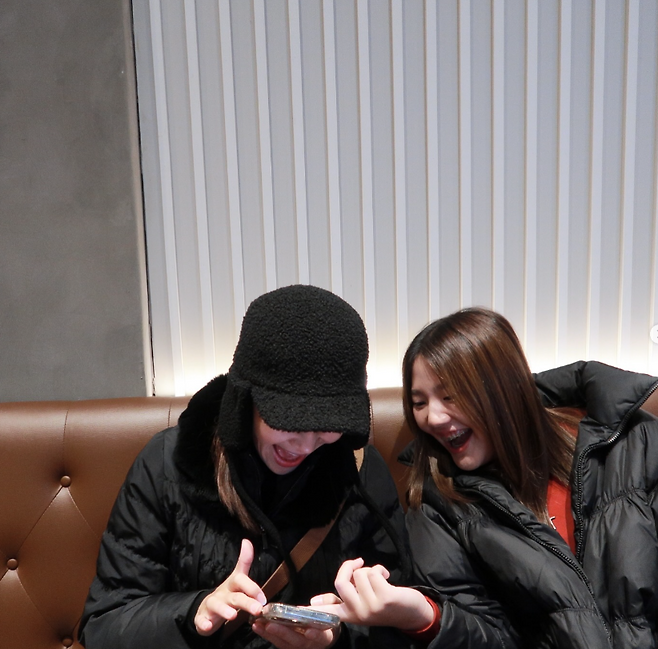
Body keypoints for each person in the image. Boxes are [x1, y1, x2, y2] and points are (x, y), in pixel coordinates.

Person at [78, 284, 409, 649]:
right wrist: (195, 612)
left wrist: (338, 638)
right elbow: (104, 625)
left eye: (326, 427)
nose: (304, 446)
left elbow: (404, 620)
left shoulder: (361, 473)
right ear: (244, 400)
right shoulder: (165, 465)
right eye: (289, 422)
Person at [311, 307, 658, 648]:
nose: (433, 417)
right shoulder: (437, 506)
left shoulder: (629, 443)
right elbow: (490, 634)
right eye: (419, 403)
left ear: (504, 387)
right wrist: (425, 617)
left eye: (450, 395)